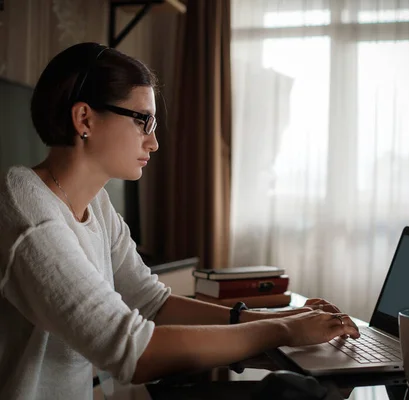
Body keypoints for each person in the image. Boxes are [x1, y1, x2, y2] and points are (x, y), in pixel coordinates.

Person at [0, 42, 360, 399]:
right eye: (144, 121)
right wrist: (281, 330)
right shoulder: (27, 210)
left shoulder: (98, 204)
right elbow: (133, 351)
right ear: (85, 119)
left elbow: (154, 304)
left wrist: (278, 322)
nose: (154, 142)